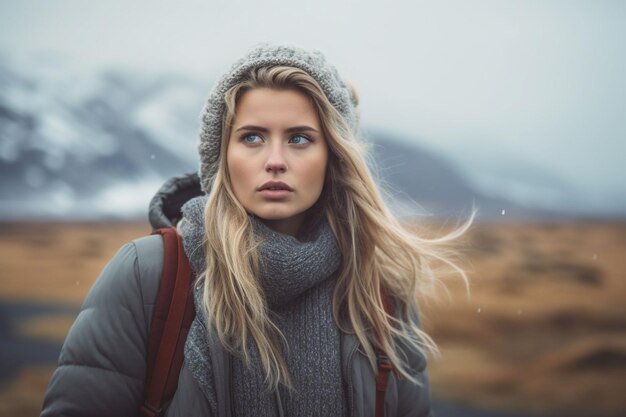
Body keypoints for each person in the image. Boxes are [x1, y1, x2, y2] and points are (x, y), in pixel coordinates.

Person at [41, 43, 474, 417]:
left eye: (300, 138)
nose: (275, 160)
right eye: (252, 137)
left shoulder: (380, 292)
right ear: (221, 155)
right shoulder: (147, 274)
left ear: (335, 157)